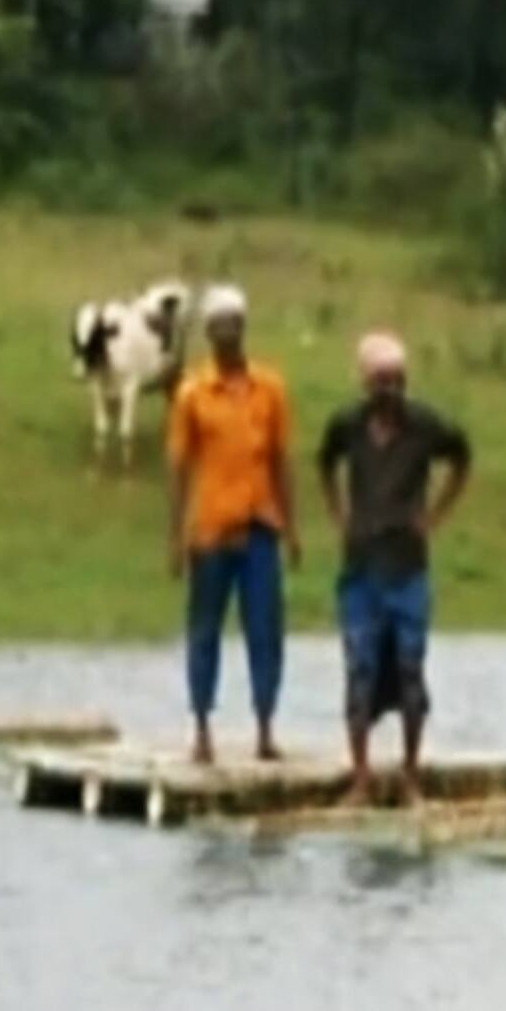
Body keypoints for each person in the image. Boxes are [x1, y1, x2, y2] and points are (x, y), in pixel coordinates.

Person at [317, 332, 472, 806]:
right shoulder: (347, 425)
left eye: (397, 380)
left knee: (410, 667)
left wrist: (435, 516)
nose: (390, 389)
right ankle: (361, 777)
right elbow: (325, 463)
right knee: (360, 665)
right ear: (366, 382)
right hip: (361, 564)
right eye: (381, 380)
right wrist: (339, 516)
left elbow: (462, 458)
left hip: (408, 566)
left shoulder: (425, 426)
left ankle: (409, 775)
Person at [166, 285, 301, 765]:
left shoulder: (271, 390)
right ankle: (202, 727)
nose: (226, 333)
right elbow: (180, 468)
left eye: (233, 324)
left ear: (243, 328)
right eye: (217, 326)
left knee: (266, 628)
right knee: (204, 628)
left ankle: (265, 728)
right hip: (211, 530)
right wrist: (175, 538)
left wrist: (292, 526)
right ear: (207, 334)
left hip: (261, 525)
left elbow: (282, 459)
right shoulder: (192, 394)